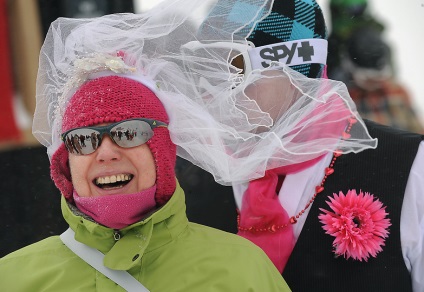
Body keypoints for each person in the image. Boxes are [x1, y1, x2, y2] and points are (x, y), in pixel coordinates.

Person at [0, 2, 291, 291]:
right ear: (65, 162)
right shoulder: (13, 278)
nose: (105, 153)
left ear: (163, 150)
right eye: (84, 139)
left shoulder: (240, 269)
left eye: (128, 133)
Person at [181, 0, 424, 291]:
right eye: (207, 68)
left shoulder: (408, 166)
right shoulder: (193, 176)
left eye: (234, 66)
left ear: (297, 68)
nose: (217, 89)